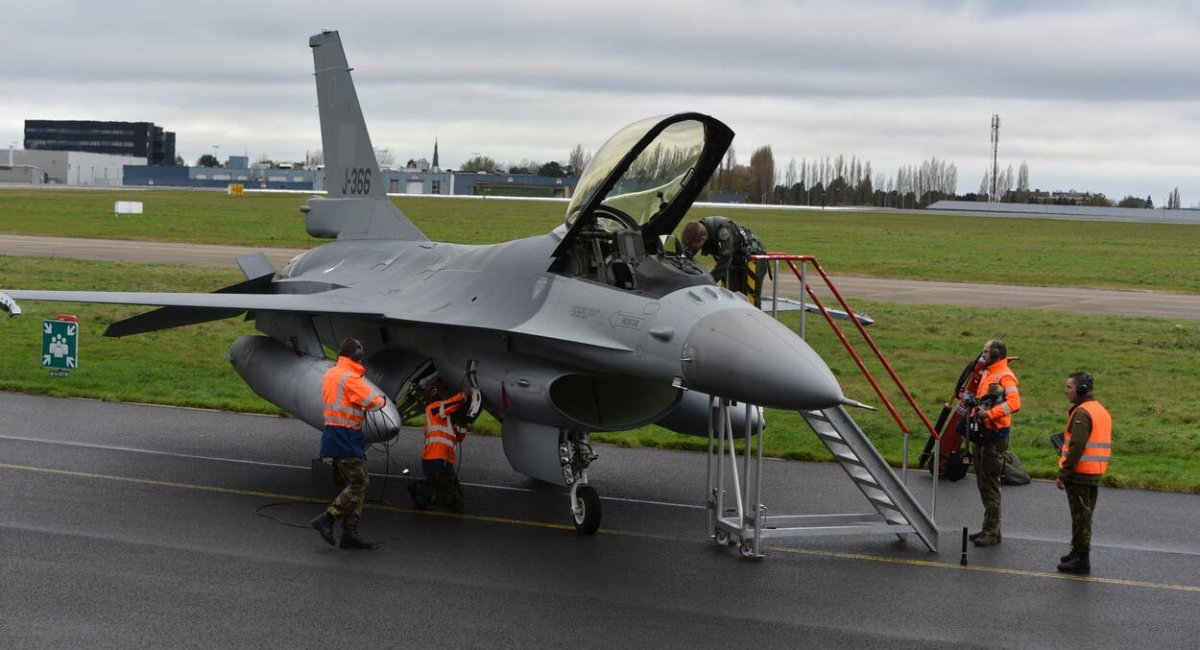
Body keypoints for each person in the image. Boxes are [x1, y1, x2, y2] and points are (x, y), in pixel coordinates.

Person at [309, 337, 388, 550]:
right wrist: (384, 400)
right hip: (345, 436)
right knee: (358, 483)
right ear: (356, 356)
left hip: (337, 435)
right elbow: (375, 402)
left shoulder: (333, 373)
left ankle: (349, 533)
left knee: (357, 484)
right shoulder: (350, 378)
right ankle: (328, 518)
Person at [1055, 371, 1112, 574]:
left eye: (1069, 387)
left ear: (1081, 390)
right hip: (1095, 472)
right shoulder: (1100, 410)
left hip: (1081, 473)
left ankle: (1082, 558)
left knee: (1081, 517)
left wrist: (1064, 473)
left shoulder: (1082, 413)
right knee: (1083, 515)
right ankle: (1077, 550)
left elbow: (1077, 446)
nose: (1066, 391)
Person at [968, 339, 1021, 547]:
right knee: (983, 482)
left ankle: (991, 532)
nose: (982, 355)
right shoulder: (989, 372)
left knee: (990, 484)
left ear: (996, 354)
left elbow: (1015, 404)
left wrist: (989, 415)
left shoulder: (1004, 375)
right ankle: (990, 528)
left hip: (994, 436)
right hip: (984, 433)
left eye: (986, 351)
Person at [408, 381, 472, 511]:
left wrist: (463, 422)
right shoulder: (433, 409)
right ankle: (421, 491)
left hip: (441, 462)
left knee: (455, 497)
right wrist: (466, 393)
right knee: (453, 501)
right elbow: (452, 403)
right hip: (436, 461)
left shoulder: (446, 418)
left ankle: (422, 493)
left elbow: (459, 438)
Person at [681, 216, 767, 297]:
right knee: (734, 295)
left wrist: (709, 280)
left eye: (697, 246)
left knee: (751, 298)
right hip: (736, 260)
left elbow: (726, 257)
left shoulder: (723, 229)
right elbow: (689, 252)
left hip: (754, 259)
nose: (695, 249)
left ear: (704, 238)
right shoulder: (697, 231)